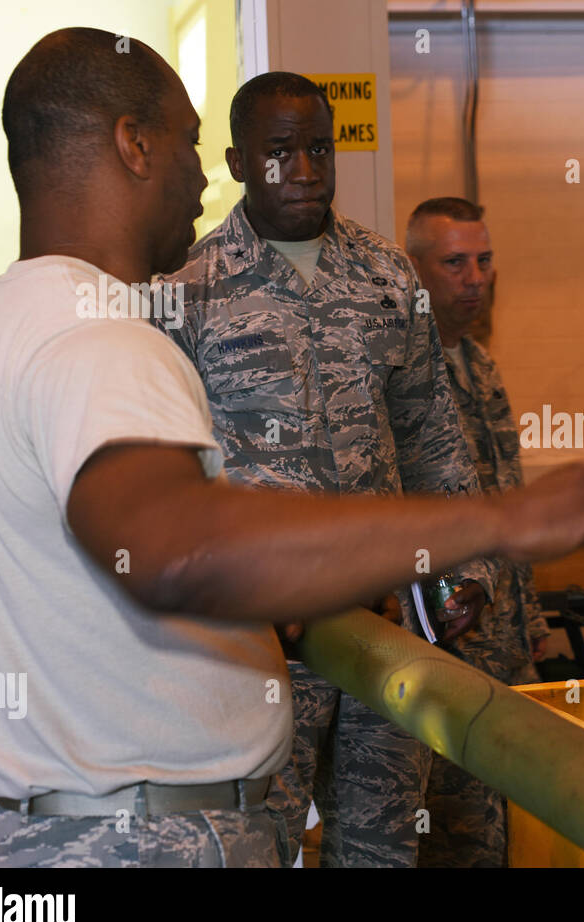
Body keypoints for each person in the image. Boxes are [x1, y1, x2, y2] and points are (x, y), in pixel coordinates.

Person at [0, 29, 584, 868]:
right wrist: (499, 518)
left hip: (58, 827)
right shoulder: (110, 337)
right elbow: (179, 551)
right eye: (187, 140)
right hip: (143, 837)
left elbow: (110, 569)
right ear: (134, 146)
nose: (201, 172)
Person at [160, 73, 491, 867]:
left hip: (385, 628)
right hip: (261, 643)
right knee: (258, 843)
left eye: (318, 147)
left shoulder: (387, 276)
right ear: (238, 162)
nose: (304, 169)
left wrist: (460, 572)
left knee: (381, 844)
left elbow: (430, 439)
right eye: (279, 152)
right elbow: (167, 481)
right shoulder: (189, 291)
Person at [404, 197, 548, 866]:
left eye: (484, 260)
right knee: (454, 835)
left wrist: (533, 619)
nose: (475, 277)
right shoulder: (405, 374)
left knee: (496, 830)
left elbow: (507, 507)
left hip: (505, 650)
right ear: (416, 270)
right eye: (454, 262)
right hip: (449, 653)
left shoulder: (478, 364)